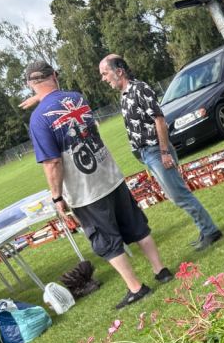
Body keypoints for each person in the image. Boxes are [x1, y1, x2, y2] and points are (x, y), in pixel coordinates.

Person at [23, 61, 173, 309]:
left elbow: (52, 163)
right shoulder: (77, 98)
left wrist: (57, 197)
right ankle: (161, 270)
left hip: (85, 191)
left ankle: (136, 287)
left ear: (31, 85)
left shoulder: (38, 119)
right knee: (136, 226)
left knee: (105, 241)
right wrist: (40, 100)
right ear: (55, 75)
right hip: (110, 174)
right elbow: (58, 106)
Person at [98, 55, 222, 251]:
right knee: (174, 195)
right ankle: (205, 228)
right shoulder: (125, 95)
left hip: (157, 151)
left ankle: (210, 230)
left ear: (119, 71)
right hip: (148, 154)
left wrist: (164, 152)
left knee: (179, 194)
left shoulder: (140, 89)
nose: (104, 79)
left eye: (105, 73)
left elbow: (159, 121)